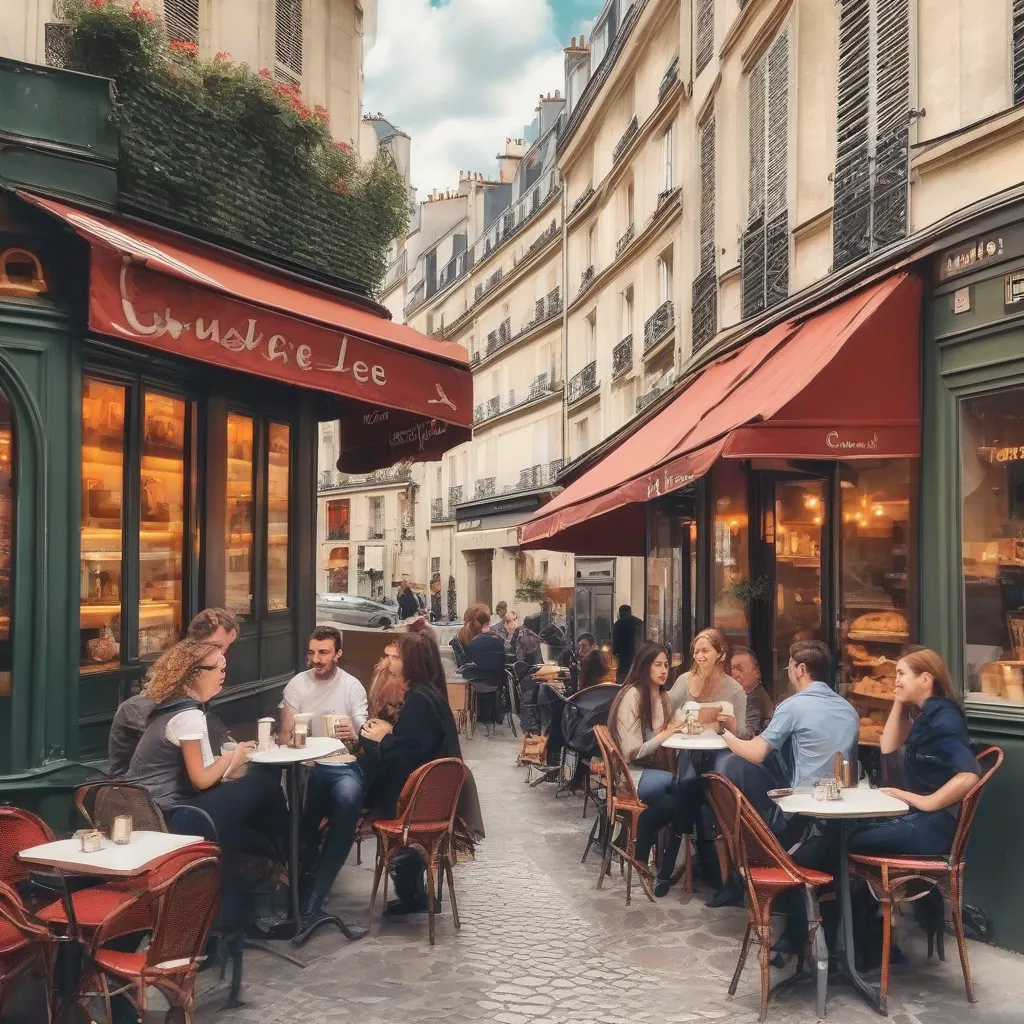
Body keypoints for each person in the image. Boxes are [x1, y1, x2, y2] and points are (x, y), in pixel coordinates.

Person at [125, 639, 287, 856]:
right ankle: (290, 859)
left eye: (224, 668)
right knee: (266, 783)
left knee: (252, 814)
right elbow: (201, 780)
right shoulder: (189, 716)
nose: (222, 674)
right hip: (169, 816)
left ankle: (275, 859)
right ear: (193, 673)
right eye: (217, 668)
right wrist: (232, 756)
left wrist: (228, 761)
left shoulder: (170, 707)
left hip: (152, 811)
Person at [358, 630, 467, 915]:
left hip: (419, 804)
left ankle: (413, 894)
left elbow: (408, 756)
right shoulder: (427, 694)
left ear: (411, 663)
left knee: (354, 794)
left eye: (395, 657)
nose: (389, 662)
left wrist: (383, 737)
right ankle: (414, 893)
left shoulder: (419, 699)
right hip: (432, 798)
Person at [721, 639, 859, 846]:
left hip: (802, 812)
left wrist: (722, 732)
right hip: (843, 806)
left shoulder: (792, 706)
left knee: (732, 764)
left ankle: (749, 851)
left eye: (790, 667)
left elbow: (757, 753)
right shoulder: (849, 710)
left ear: (801, 669)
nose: (788, 672)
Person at [850, 649, 980, 856]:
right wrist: (899, 700)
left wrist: (926, 802)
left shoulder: (941, 720)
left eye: (901, 674)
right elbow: (888, 747)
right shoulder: (925, 713)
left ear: (926, 679)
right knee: (846, 830)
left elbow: (970, 774)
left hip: (933, 827)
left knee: (847, 838)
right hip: (920, 820)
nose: (896, 680)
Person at [284, 627, 369, 933]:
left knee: (347, 801)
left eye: (323, 653)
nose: (316, 659)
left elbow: (362, 723)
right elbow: (285, 733)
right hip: (304, 763)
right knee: (302, 816)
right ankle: (303, 879)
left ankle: (314, 894)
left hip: (340, 762)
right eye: (312, 652)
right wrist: (290, 735)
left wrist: (355, 732)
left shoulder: (351, 686)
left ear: (338, 654)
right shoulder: (297, 684)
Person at [108, 608, 239, 777]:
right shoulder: (164, 695)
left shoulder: (190, 687)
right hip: (137, 791)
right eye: (218, 646)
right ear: (195, 644)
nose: (222, 656)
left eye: (225, 649)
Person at [607, 643, 686, 898]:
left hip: (648, 773)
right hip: (630, 775)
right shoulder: (633, 695)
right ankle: (656, 863)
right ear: (644, 666)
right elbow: (633, 752)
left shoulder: (662, 697)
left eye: (666, 665)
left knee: (676, 801)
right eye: (657, 664)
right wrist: (669, 732)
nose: (664, 670)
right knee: (682, 792)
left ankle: (649, 862)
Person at [730, 646, 774, 736]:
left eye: (739, 669)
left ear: (756, 673)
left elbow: (748, 734)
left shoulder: (756, 698)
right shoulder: (750, 695)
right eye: (732, 669)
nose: (734, 674)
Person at [611, 605, 643, 682]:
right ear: (630, 612)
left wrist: (614, 652)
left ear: (620, 612)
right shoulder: (639, 622)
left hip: (623, 655)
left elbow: (615, 641)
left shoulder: (617, 624)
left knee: (622, 676)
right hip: (636, 654)